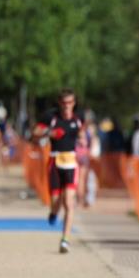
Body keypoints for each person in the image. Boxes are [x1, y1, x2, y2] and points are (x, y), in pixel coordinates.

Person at [33, 90, 85, 253]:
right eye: (64, 103)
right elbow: (35, 134)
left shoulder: (78, 119)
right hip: (55, 162)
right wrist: (50, 133)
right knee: (56, 202)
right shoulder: (51, 117)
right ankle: (54, 213)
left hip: (71, 163)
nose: (67, 106)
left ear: (74, 103)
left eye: (70, 102)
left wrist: (83, 139)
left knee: (68, 203)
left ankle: (65, 240)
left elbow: (82, 134)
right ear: (59, 103)